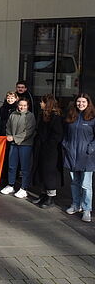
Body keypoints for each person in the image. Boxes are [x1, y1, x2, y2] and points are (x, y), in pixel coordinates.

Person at [62, 93, 95, 223]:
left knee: (86, 185)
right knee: (75, 182)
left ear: (88, 103)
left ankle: (87, 209)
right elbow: (65, 133)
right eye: (79, 102)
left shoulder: (92, 118)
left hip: (87, 156)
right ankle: (76, 205)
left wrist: (91, 148)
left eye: (83, 102)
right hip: (72, 155)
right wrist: (65, 144)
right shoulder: (71, 117)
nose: (80, 104)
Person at [32, 94, 63, 209]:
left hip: (50, 150)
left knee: (49, 172)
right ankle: (44, 194)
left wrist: (48, 144)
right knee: (42, 170)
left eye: (42, 102)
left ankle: (50, 197)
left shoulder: (56, 117)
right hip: (41, 148)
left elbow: (57, 135)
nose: (40, 104)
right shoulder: (43, 115)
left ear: (47, 103)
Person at [0, 99, 36, 199]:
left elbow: (29, 132)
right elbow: (8, 127)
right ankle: (10, 185)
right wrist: (9, 136)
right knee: (12, 165)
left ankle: (24, 188)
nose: (22, 107)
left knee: (24, 168)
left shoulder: (30, 116)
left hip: (25, 144)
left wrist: (15, 138)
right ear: (17, 105)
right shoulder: (13, 115)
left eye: (24, 105)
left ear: (28, 106)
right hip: (13, 144)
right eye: (20, 105)